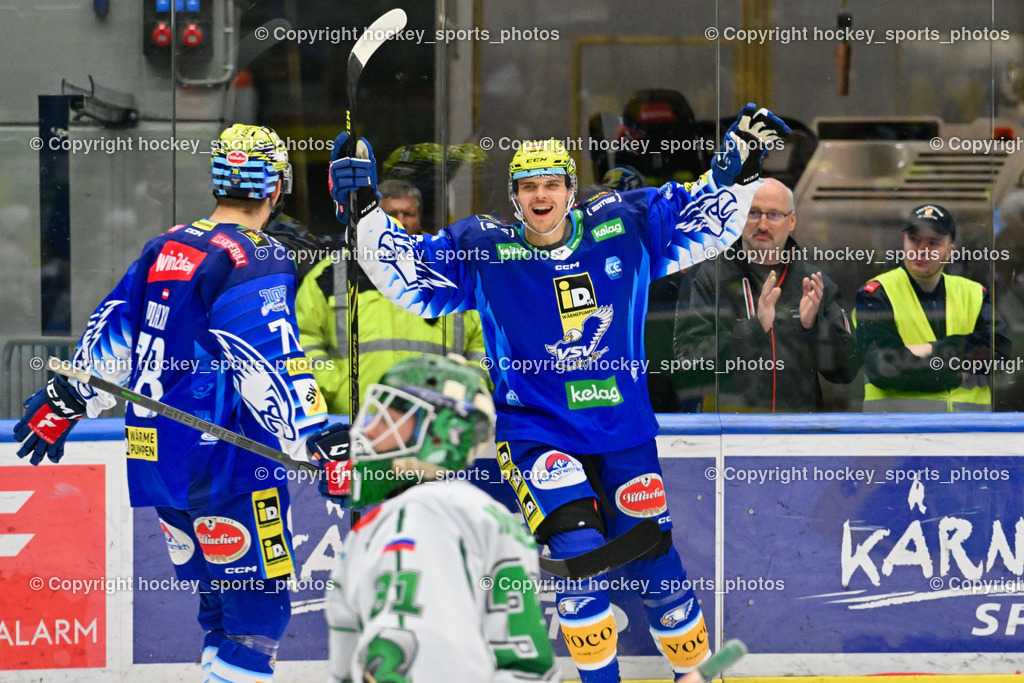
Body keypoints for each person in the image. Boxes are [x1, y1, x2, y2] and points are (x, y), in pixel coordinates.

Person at [328, 104, 789, 682]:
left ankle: (695, 675)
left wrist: (733, 171)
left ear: (571, 191)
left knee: (655, 566)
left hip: (622, 430)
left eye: (551, 184)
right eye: (527, 187)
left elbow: (703, 220)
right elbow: (409, 273)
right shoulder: (484, 248)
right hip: (536, 433)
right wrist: (364, 212)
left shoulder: (624, 223)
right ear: (514, 198)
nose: (539, 196)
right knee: (578, 562)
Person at [12, 124, 337, 683]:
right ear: (276, 186)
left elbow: (115, 327)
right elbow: (267, 357)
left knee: (218, 613)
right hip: (230, 465)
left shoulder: (170, 242)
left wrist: (68, 396)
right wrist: (317, 434)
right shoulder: (256, 255)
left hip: (159, 458)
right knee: (256, 620)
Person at [323, 354, 558, 682]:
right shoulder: (488, 516)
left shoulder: (417, 515)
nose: (367, 433)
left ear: (438, 436)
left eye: (389, 418)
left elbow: (407, 655)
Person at [297, 178, 488, 415]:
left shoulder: (451, 271)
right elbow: (304, 337)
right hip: (354, 419)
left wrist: (464, 388)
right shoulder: (332, 273)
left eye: (408, 213)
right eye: (390, 214)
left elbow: (484, 342)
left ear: (419, 218)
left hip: (439, 422)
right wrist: (336, 388)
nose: (400, 221)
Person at [673, 179, 860, 412]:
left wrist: (814, 327)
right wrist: (753, 328)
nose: (762, 224)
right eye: (753, 213)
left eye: (773, 215)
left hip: (798, 434)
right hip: (729, 432)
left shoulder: (814, 282)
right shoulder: (708, 277)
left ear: (791, 221)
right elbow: (686, 365)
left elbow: (848, 370)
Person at [855, 204, 1011, 411]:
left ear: (949, 252)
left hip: (970, 432)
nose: (921, 250)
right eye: (914, 239)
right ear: (904, 241)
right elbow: (885, 369)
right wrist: (959, 366)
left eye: (933, 243)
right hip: (896, 433)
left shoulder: (973, 294)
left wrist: (927, 349)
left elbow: (1000, 351)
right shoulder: (875, 294)